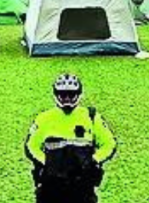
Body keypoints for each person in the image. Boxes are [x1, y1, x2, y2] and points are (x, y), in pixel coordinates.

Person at [25, 74, 116, 203]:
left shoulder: (91, 117)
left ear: (79, 95)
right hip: (51, 185)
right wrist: (48, 162)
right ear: (56, 95)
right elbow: (31, 146)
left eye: (71, 95)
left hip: (82, 184)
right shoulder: (44, 119)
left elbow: (109, 143)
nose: (67, 99)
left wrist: (93, 160)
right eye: (63, 95)